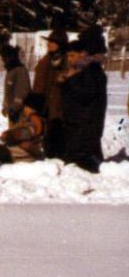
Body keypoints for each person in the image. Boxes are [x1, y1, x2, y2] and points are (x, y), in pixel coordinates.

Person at [60, 38, 107, 174]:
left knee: (85, 168)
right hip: (78, 125)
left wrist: (69, 80)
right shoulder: (81, 70)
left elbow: (85, 94)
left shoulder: (91, 70)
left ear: (83, 54)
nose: (69, 59)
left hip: (85, 125)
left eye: (73, 55)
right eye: (68, 56)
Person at [32, 29, 68, 158]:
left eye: (52, 42)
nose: (48, 44)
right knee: (49, 143)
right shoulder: (44, 62)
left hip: (62, 110)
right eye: (49, 42)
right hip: (46, 108)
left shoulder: (68, 62)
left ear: (60, 45)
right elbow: (37, 87)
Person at [0, 92, 46, 163]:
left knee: (0, 152)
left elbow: (24, 133)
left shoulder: (34, 122)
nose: (24, 109)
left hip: (23, 156)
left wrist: (8, 135)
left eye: (26, 107)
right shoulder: (39, 120)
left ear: (31, 108)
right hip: (28, 153)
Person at [0, 44, 31, 124]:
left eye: (5, 57)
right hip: (12, 112)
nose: (3, 60)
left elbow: (22, 92)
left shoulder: (20, 71)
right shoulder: (10, 71)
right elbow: (8, 92)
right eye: (2, 57)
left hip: (20, 113)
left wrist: (15, 109)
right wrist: (6, 107)